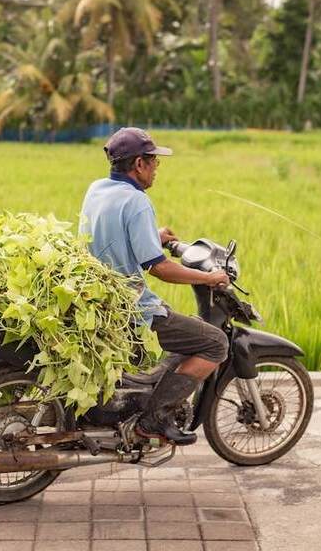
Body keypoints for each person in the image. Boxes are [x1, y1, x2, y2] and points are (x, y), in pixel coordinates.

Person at [79, 127, 230, 445]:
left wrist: (153, 237)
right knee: (215, 343)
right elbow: (159, 268)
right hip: (130, 305)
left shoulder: (97, 189)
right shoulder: (137, 202)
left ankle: (146, 408)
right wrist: (209, 278)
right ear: (138, 164)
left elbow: (107, 235)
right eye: (153, 161)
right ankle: (155, 420)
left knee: (183, 334)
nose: (157, 168)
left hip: (99, 297)